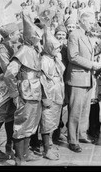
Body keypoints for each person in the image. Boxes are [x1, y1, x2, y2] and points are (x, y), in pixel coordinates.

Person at [4, 13, 44, 165]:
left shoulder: (34, 50)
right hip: (25, 94)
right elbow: (9, 75)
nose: (38, 39)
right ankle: (19, 157)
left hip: (35, 93)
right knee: (21, 125)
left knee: (31, 125)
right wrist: (15, 94)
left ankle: (26, 154)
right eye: (36, 37)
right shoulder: (22, 52)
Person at [65, 12, 101, 153]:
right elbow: (73, 57)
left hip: (87, 78)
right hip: (77, 78)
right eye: (90, 22)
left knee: (85, 109)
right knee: (75, 110)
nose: (92, 24)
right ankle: (72, 140)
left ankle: (81, 134)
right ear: (82, 21)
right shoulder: (75, 34)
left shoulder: (86, 35)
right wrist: (92, 65)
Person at [0, 23, 21, 160]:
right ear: (10, 36)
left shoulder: (9, 47)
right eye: (17, 33)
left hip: (8, 88)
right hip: (2, 90)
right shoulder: (2, 52)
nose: (19, 35)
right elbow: (9, 72)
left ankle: (9, 145)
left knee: (10, 118)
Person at [39, 28, 65, 160]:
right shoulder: (44, 60)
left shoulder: (53, 58)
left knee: (53, 119)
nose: (58, 50)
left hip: (57, 93)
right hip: (49, 94)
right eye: (56, 48)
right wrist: (45, 97)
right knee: (47, 121)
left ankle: (49, 144)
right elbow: (42, 81)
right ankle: (46, 149)